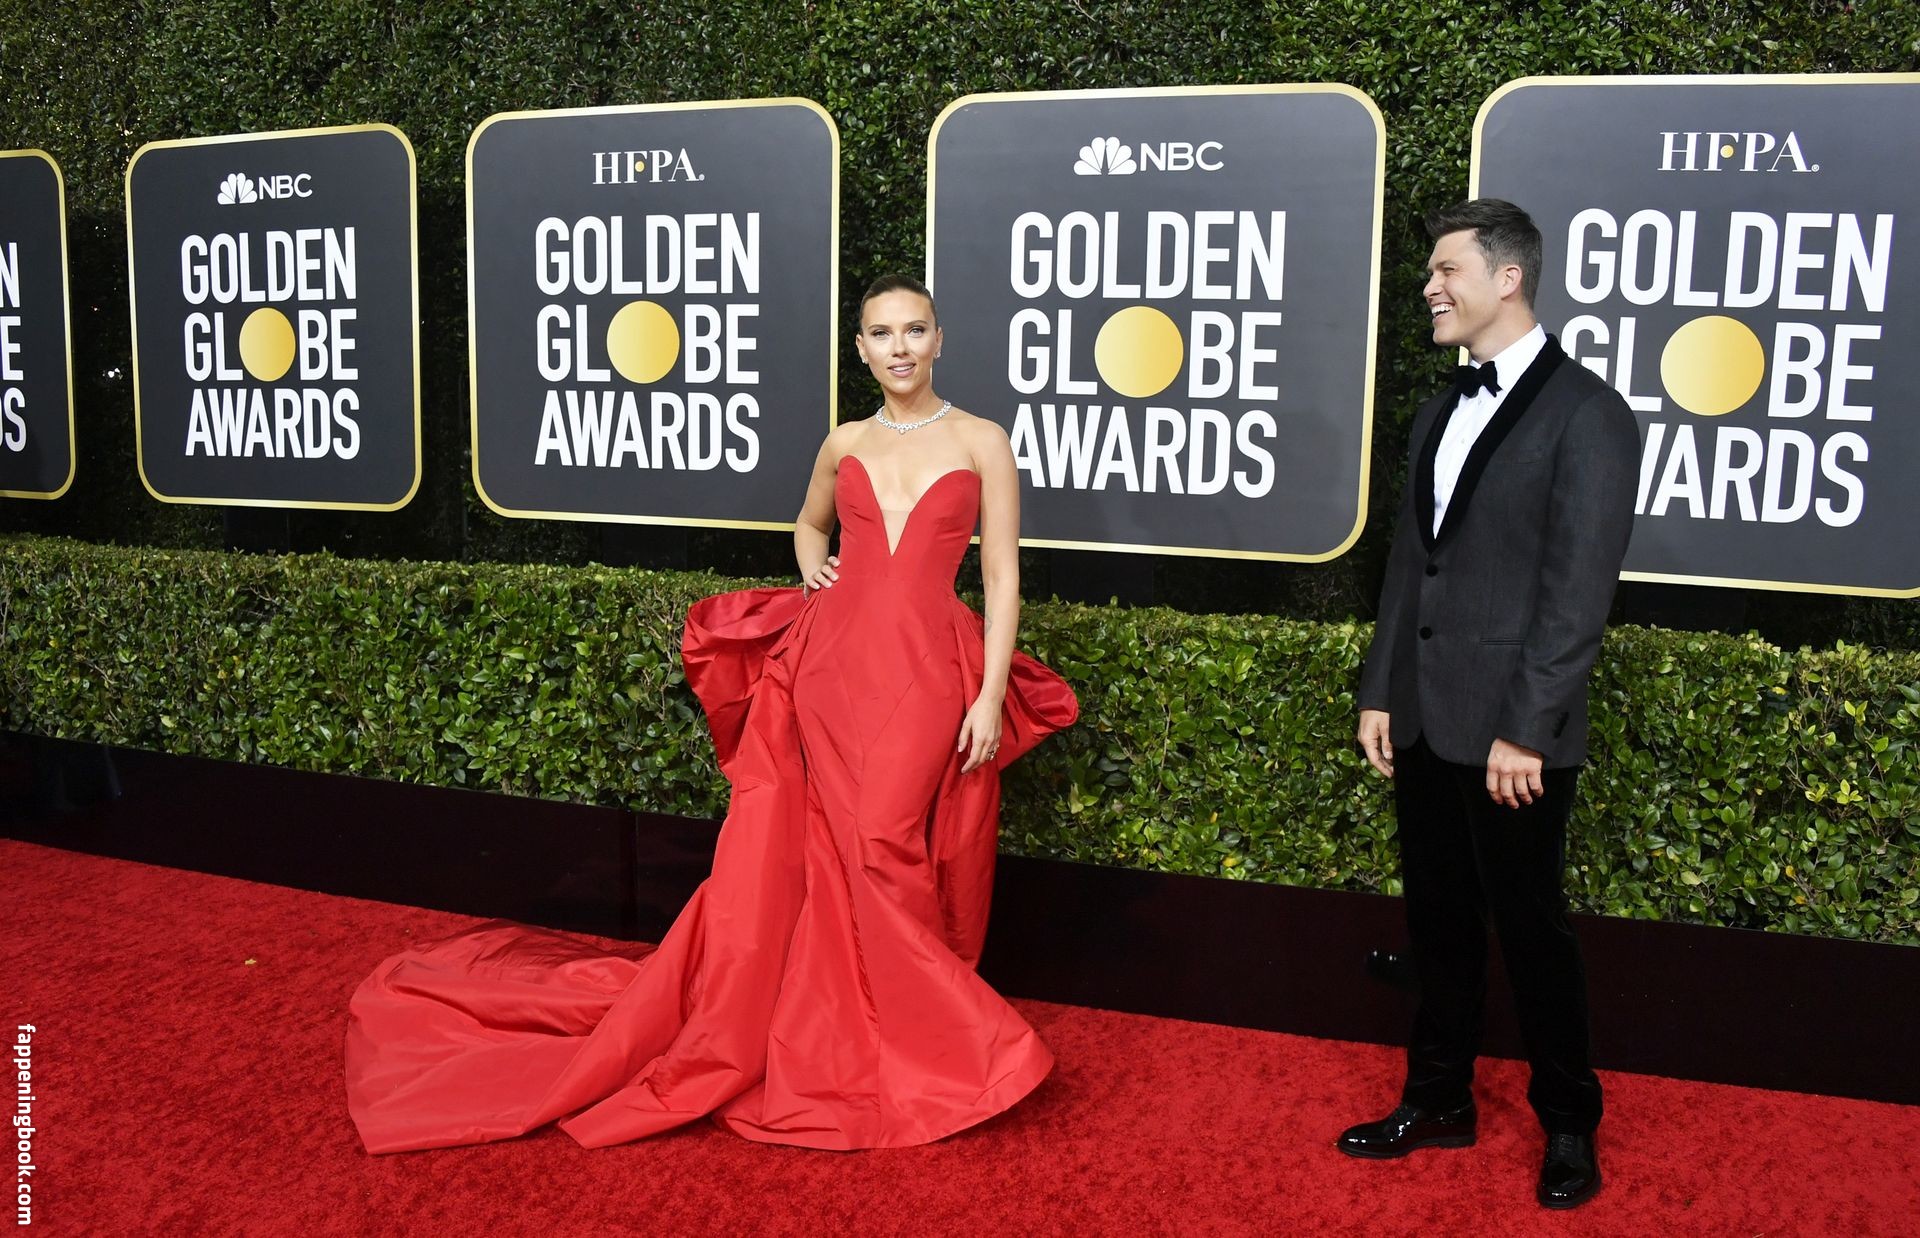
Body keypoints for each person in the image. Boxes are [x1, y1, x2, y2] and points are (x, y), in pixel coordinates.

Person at [344, 273, 1077, 1152]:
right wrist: (812, 565)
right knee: (831, 846)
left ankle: (912, 1035)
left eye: (914, 329)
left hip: (925, 671)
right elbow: (808, 525)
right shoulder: (844, 442)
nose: (900, 348)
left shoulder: (983, 440)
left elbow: (1001, 575)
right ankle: (864, 1031)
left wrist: (989, 694)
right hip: (829, 667)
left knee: (884, 840)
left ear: (939, 338)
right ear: (860, 349)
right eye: (882, 334)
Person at [1341, 200, 1638, 1210]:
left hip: (1514, 734)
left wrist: (1529, 728)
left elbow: (1576, 593)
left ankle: (1569, 1125)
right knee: (1439, 921)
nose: (1430, 287)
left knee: (1532, 931)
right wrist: (1382, 688)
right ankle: (1437, 1099)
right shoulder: (1438, 412)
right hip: (1425, 715)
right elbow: (1409, 569)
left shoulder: (1589, 414)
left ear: (1508, 278)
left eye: (1446, 270)